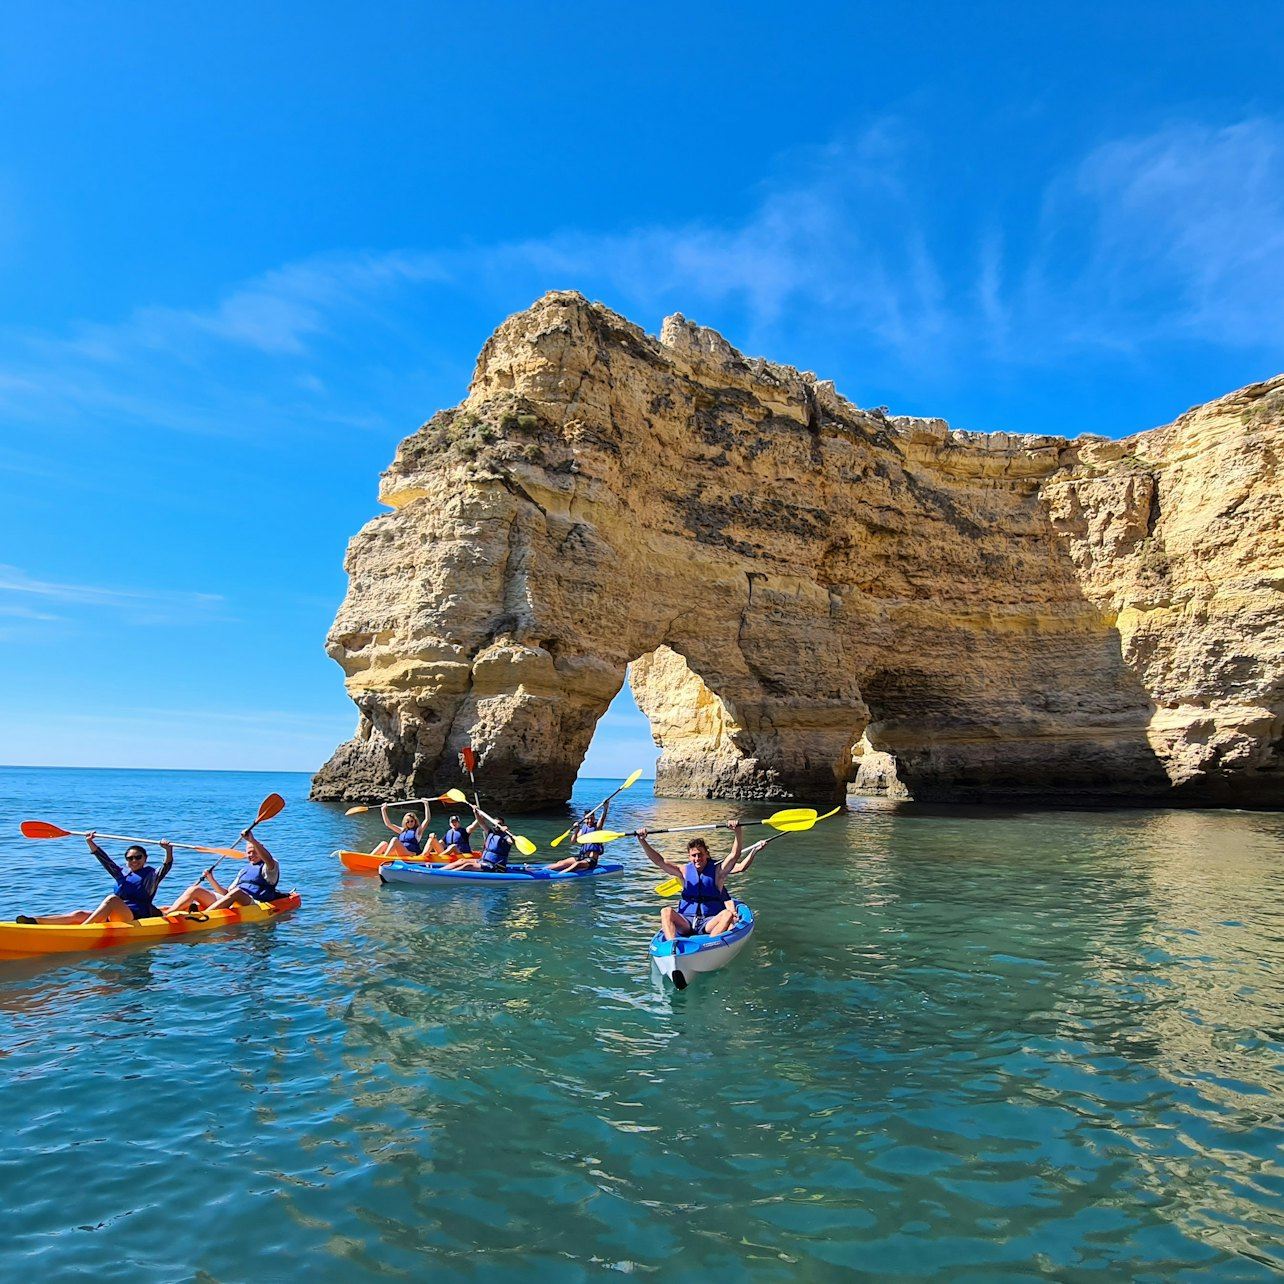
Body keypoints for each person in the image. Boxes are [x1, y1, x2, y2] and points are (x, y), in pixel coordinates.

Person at [19, 831, 174, 926]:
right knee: (78, 914)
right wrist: (90, 841)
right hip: (117, 915)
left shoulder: (151, 876)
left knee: (112, 899)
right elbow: (103, 858)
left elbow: (166, 865)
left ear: (145, 858)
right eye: (130, 858)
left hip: (136, 917)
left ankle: (83, 930)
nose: (134, 861)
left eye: (138, 857)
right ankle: (35, 921)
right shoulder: (121, 873)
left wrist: (168, 850)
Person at [637, 821, 743, 940]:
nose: (697, 859)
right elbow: (659, 861)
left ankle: (711, 944)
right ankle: (672, 946)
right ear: (689, 857)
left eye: (700, 854)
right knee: (666, 911)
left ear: (707, 854)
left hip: (709, 921)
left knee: (727, 914)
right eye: (693, 855)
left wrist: (737, 831)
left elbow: (735, 855)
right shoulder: (683, 871)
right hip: (686, 921)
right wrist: (642, 841)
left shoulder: (718, 871)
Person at [165, 831, 283, 913]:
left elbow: (268, 859)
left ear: (260, 850)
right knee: (194, 889)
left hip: (254, 904)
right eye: (249, 852)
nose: (251, 855)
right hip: (234, 900)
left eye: (254, 852)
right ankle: (169, 913)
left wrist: (252, 840)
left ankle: (205, 916)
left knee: (237, 892)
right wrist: (211, 878)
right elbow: (227, 894)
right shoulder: (244, 870)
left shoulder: (270, 866)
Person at [443, 806, 515, 873]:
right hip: (483, 861)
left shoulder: (505, 837)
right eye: (494, 824)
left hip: (495, 866)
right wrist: (475, 812)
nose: (496, 826)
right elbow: (481, 822)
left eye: (498, 824)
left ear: (502, 825)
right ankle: (440, 871)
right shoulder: (490, 833)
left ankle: (447, 875)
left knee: (468, 866)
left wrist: (508, 832)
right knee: (461, 860)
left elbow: (512, 841)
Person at [544, 803, 609, 874]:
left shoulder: (597, 828)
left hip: (591, 860)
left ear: (594, 818)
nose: (590, 821)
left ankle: (560, 875)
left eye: (592, 818)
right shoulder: (582, 830)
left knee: (576, 864)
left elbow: (602, 818)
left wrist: (605, 807)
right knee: (560, 863)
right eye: (588, 819)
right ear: (584, 819)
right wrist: (576, 830)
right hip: (581, 857)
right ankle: (540, 871)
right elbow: (573, 842)